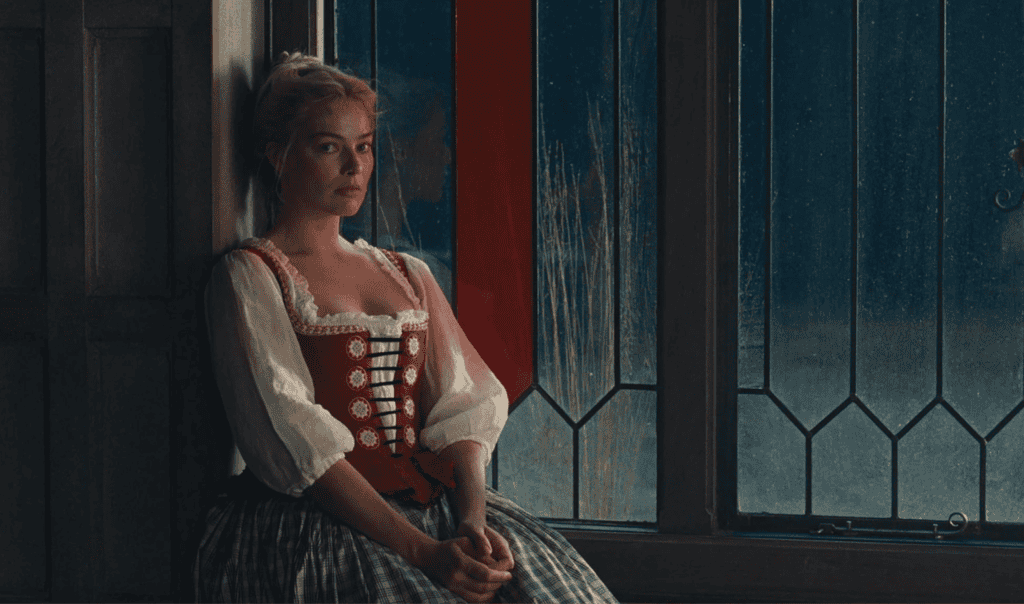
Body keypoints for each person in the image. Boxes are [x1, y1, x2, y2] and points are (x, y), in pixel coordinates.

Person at [193, 51, 617, 603]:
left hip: (436, 504)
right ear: (278, 155)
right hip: (322, 519)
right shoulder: (251, 275)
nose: (354, 166)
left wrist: (470, 521)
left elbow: (462, 406)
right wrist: (421, 551)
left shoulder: (406, 273)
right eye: (329, 147)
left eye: (364, 146)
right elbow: (293, 438)